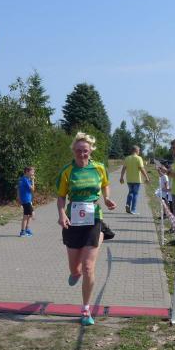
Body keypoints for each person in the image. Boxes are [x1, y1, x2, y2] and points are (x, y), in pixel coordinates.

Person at [56, 132, 116, 326]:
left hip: (93, 217)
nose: (82, 154)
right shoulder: (67, 171)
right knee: (76, 269)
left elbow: (106, 185)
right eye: (79, 150)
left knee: (89, 267)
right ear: (73, 151)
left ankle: (85, 309)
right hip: (73, 220)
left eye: (85, 151)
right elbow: (61, 196)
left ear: (91, 151)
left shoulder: (99, 167)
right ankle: (75, 273)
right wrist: (61, 214)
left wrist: (107, 198)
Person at [120, 145, 150, 215]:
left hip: (129, 179)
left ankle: (128, 204)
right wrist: (147, 177)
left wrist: (121, 177)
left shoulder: (127, 158)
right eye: (139, 150)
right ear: (136, 150)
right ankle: (133, 210)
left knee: (130, 192)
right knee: (135, 194)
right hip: (137, 180)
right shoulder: (139, 158)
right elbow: (142, 169)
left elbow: (123, 168)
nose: (139, 152)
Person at [17, 166, 35, 237]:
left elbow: (18, 189)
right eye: (32, 172)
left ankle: (26, 229)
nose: (33, 173)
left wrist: (19, 198)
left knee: (28, 215)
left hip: (26, 200)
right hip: (26, 200)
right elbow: (32, 189)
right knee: (29, 215)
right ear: (27, 172)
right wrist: (33, 180)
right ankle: (23, 231)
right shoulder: (25, 180)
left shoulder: (22, 179)